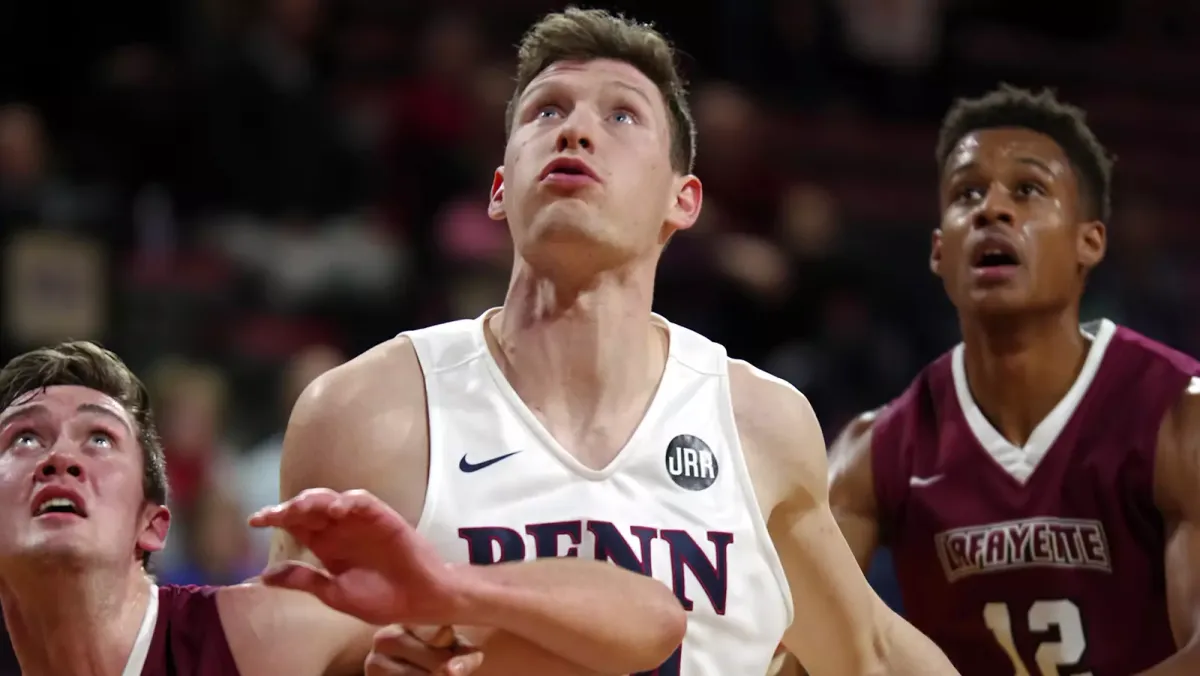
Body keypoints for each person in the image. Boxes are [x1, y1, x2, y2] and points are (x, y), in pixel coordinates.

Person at [271, 7, 959, 676]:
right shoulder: (366, 411)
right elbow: (278, 651)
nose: (575, 131)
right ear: (500, 189)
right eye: (546, 111)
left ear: (682, 201)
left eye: (622, 115)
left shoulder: (761, 424)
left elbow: (867, 653)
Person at [0, 341, 688, 676]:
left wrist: (448, 588)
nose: (61, 458)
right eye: (24, 438)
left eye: (99, 437)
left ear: (154, 523)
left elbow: (653, 624)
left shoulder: (256, 640)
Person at [825, 85, 1200, 675]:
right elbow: (799, 648)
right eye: (967, 193)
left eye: (1028, 190)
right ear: (939, 250)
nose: (991, 209)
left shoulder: (1179, 414)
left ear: (1090, 240)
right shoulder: (872, 450)